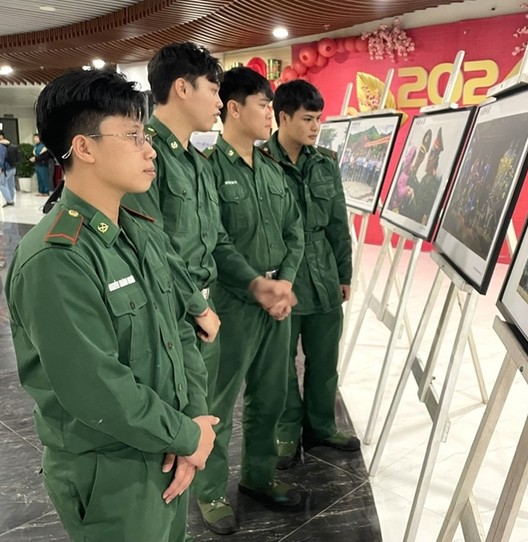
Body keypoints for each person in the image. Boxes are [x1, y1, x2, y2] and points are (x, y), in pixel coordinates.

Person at [5, 68, 219, 542]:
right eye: (134, 136)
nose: (149, 150)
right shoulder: (55, 259)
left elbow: (178, 331)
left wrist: (195, 424)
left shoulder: (137, 229)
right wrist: (187, 436)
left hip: (168, 446)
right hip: (112, 473)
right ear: (84, 148)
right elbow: (96, 388)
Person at [122, 41, 291, 530]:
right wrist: (197, 305)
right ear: (182, 88)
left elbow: (214, 239)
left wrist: (255, 283)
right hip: (169, 315)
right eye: (214, 90)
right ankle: (195, 502)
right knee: (182, 423)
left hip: (201, 312)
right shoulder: (147, 156)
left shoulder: (194, 162)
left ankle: (196, 499)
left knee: (206, 415)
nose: (219, 103)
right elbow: (150, 243)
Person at [194, 67, 305, 534]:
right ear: (233, 109)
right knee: (218, 402)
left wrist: (285, 285)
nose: (270, 115)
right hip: (234, 303)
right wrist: (256, 286)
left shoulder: (273, 169)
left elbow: (294, 231)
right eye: (263, 105)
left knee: (271, 394)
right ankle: (211, 491)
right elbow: (214, 240)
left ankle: (258, 477)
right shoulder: (208, 170)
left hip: (277, 301)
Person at [261, 80, 359, 469]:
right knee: (281, 362)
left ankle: (321, 425)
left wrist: (345, 273)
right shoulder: (259, 163)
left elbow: (338, 222)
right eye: (307, 118)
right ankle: (287, 429)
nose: (316, 126)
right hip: (282, 274)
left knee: (324, 359)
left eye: (319, 118)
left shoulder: (326, 163)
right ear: (282, 117)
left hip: (324, 275)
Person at [0, 131, 16, 207]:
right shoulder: (9, 144)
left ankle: (9, 200)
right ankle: (12, 199)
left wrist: (0, 167)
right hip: (13, 167)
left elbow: (1, 158)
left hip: (6, 169)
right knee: (10, 184)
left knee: (1, 184)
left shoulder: (1, 145)